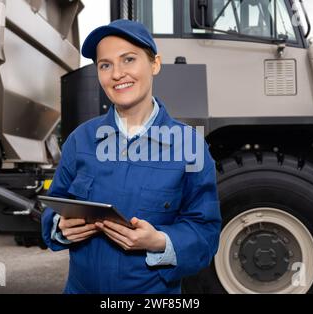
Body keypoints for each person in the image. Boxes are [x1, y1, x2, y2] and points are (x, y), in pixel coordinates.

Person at [41, 19, 221, 294]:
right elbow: (53, 208)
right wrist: (59, 226)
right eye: (105, 65)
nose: (117, 74)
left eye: (128, 59)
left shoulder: (190, 146)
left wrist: (160, 241)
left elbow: (205, 233)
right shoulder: (81, 140)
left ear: (155, 64)